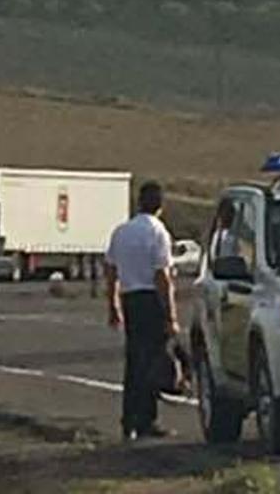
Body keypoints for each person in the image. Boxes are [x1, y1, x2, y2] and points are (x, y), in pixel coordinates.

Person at [105, 181, 178, 442]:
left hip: (129, 298)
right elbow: (162, 276)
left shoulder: (121, 231)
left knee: (134, 360)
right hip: (151, 299)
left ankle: (130, 420)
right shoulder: (158, 232)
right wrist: (171, 315)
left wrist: (112, 304)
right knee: (153, 361)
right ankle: (147, 419)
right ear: (160, 205)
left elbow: (111, 270)